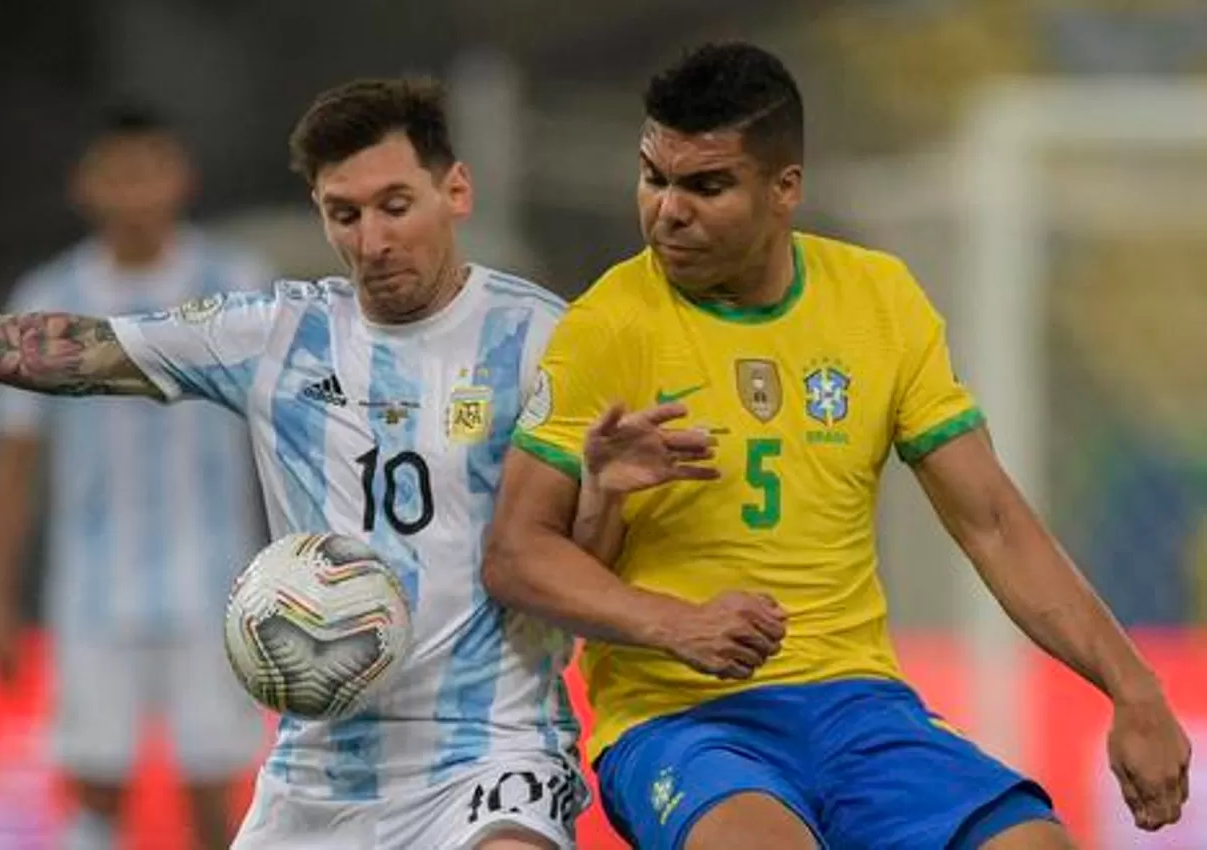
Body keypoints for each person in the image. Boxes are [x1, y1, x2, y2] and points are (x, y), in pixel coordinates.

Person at [0, 77, 596, 850]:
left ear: (456, 190)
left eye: (395, 205)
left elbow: (584, 540)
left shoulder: (543, 338)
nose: (370, 240)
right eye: (344, 213)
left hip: (492, 745)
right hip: (322, 759)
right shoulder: (276, 332)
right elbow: (64, 353)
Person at [482, 41, 1192, 850]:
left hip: (859, 708)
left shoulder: (879, 301)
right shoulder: (607, 326)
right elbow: (515, 553)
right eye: (654, 177)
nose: (666, 212)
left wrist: (1133, 691)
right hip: (683, 721)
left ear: (785, 189)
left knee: (1035, 845)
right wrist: (676, 623)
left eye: (705, 185)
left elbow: (992, 521)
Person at [0, 105, 272, 850]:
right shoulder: (46, 297)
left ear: (181, 178)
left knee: (215, 790)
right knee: (94, 783)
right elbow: (12, 457)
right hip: (94, 590)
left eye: (150, 171)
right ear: (87, 185)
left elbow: (284, 432)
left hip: (216, 584)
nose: (136, 191)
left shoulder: (237, 285)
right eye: (119, 174)